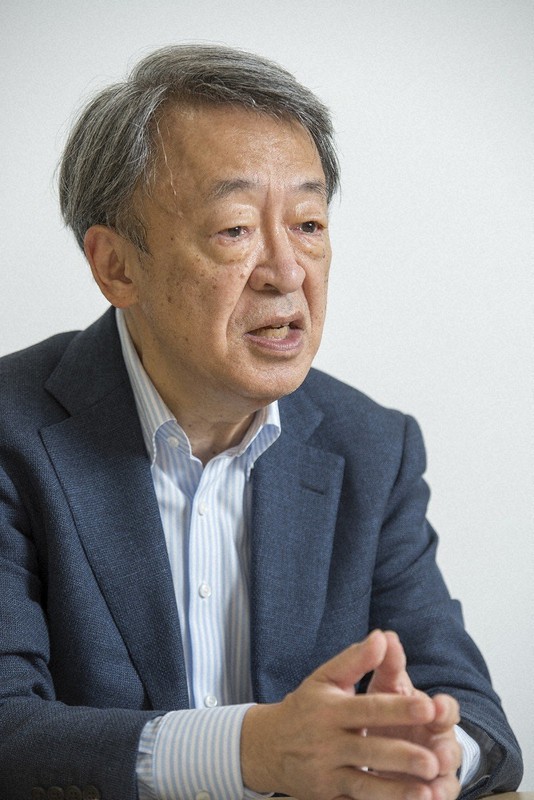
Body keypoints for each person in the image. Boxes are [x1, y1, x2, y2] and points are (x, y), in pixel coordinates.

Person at [0, 44, 522, 800]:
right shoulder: (14, 433)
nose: (286, 273)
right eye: (235, 230)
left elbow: (476, 718)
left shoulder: (370, 448)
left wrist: (432, 751)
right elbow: (9, 727)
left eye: (308, 224)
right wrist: (249, 751)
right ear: (116, 266)